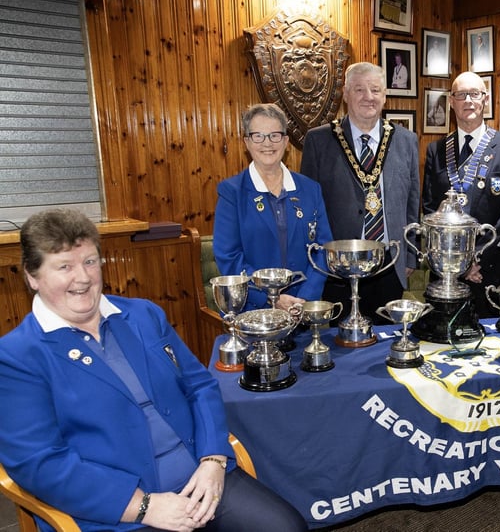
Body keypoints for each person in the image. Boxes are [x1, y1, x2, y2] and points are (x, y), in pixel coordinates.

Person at [0, 208, 307, 532]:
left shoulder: (143, 315)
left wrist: (213, 459)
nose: (83, 277)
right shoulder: (18, 357)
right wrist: (142, 506)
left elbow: (200, 386)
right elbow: (40, 464)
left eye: (90, 261)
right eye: (64, 266)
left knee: (286, 527)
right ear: (32, 277)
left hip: (202, 479)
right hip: (118, 512)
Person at [300, 62, 420, 324]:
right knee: (340, 346)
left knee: (388, 342)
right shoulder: (319, 140)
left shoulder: (405, 140)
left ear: (385, 95)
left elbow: (413, 203)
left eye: (375, 90)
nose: (369, 97)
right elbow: (309, 208)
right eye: (359, 90)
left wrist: (411, 253)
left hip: (390, 261)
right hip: (337, 266)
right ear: (345, 94)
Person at [422, 71, 500, 318]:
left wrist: (476, 257)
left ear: (486, 100)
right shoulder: (436, 150)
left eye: (475, 94)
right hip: (447, 273)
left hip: (494, 270)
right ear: (451, 102)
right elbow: (429, 207)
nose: (468, 100)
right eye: (461, 95)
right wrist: (457, 261)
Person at [213, 103, 332, 313]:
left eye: (274, 135)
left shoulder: (310, 189)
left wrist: (305, 297)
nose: (267, 143)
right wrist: (271, 297)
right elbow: (229, 257)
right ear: (247, 143)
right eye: (258, 136)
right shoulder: (231, 192)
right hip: (253, 311)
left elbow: (323, 249)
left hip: (302, 310)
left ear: (286, 141)